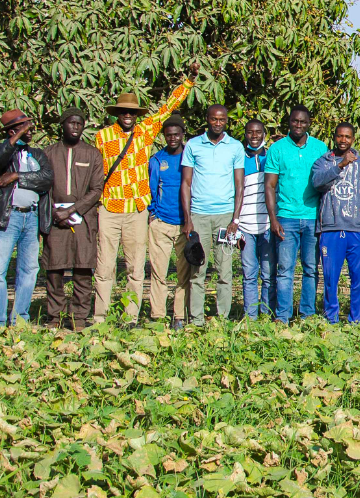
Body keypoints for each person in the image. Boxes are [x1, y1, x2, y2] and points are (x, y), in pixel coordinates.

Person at [92, 71, 195, 325]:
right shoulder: (102, 137)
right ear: (117, 114)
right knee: (104, 268)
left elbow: (168, 107)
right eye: (124, 112)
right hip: (109, 208)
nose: (128, 116)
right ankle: (100, 318)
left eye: (132, 113)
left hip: (137, 210)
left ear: (137, 115)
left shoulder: (145, 131)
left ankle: (130, 318)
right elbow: (95, 172)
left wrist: (188, 82)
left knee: (135, 269)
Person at [0, 109, 53, 327]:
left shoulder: (37, 154)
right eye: (26, 127)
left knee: (29, 269)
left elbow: (46, 178)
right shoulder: (0, 150)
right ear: (13, 131)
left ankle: (20, 319)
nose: (31, 130)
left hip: (31, 218)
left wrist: (17, 176)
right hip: (8, 217)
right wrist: (15, 138)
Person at [179, 104, 245, 324]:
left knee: (225, 271)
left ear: (227, 121)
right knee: (197, 270)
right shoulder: (193, 145)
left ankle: (222, 319)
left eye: (222, 120)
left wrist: (235, 219)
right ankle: (196, 320)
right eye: (214, 119)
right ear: (207, 119)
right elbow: (186, 183)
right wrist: (188, 220)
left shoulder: (235, 147)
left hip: (225, 217)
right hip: (199, 216)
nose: (218, 123)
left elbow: (239, 185)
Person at [40, 108, 105, 332]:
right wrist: (54, 214)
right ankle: (54, 317)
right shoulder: (48, 153)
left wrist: (71, 211)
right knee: (54, 269)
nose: (75, 127)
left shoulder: (92, 154)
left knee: (83, 270)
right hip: (55, 219)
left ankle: (79, 317)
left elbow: (96, 190)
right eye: (71, 123)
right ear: (63, 125)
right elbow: (44, 187)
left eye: (79, 124)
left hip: (84, 219)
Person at [265, 106, 330, 324]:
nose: (298, 125)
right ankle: (283, 317)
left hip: (313, 217)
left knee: (311, 269)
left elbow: (327, 182)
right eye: (295, 121)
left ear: (309, 123)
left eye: (303, 122)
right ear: (289, 122)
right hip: (286, 217)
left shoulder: (320, 148)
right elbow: (270, 186)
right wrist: (273, 219)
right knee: (285, 270)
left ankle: (307, 315)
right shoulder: (277, 149)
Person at [311, 123, 360, 324]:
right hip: (331, 229)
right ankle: (331, 319)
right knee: (330, 279)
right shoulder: (322, 162)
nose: (343, 140)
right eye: (340, 136)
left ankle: (356, 320)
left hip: (356, 230)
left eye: (347, 136)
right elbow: (317, 183)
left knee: (359, 279)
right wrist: (340, 165)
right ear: (334, 137)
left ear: (353, 139)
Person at [142, 117, 188, 328]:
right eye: (168, 135)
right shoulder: (157, 160)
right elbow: (151, 189)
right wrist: (153, 214)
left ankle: (179, 316)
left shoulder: (190, 157)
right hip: (161, 223)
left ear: (182, 135)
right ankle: (158, 315)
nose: (172, 138)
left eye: (176, 134)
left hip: (185, 224)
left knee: (183, 272)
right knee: (158, 272)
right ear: (164, 136)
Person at [236, 120, 276, 320]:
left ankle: (267, 314)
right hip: (245, 226)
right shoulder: (239, 158)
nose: (254, 136)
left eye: (258, 132)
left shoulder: (272, 156)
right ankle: (250, 316)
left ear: (264, 134)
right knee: (249, 274)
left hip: (268, 225)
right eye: (250, 132)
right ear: (245, 134)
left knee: (268, 274)